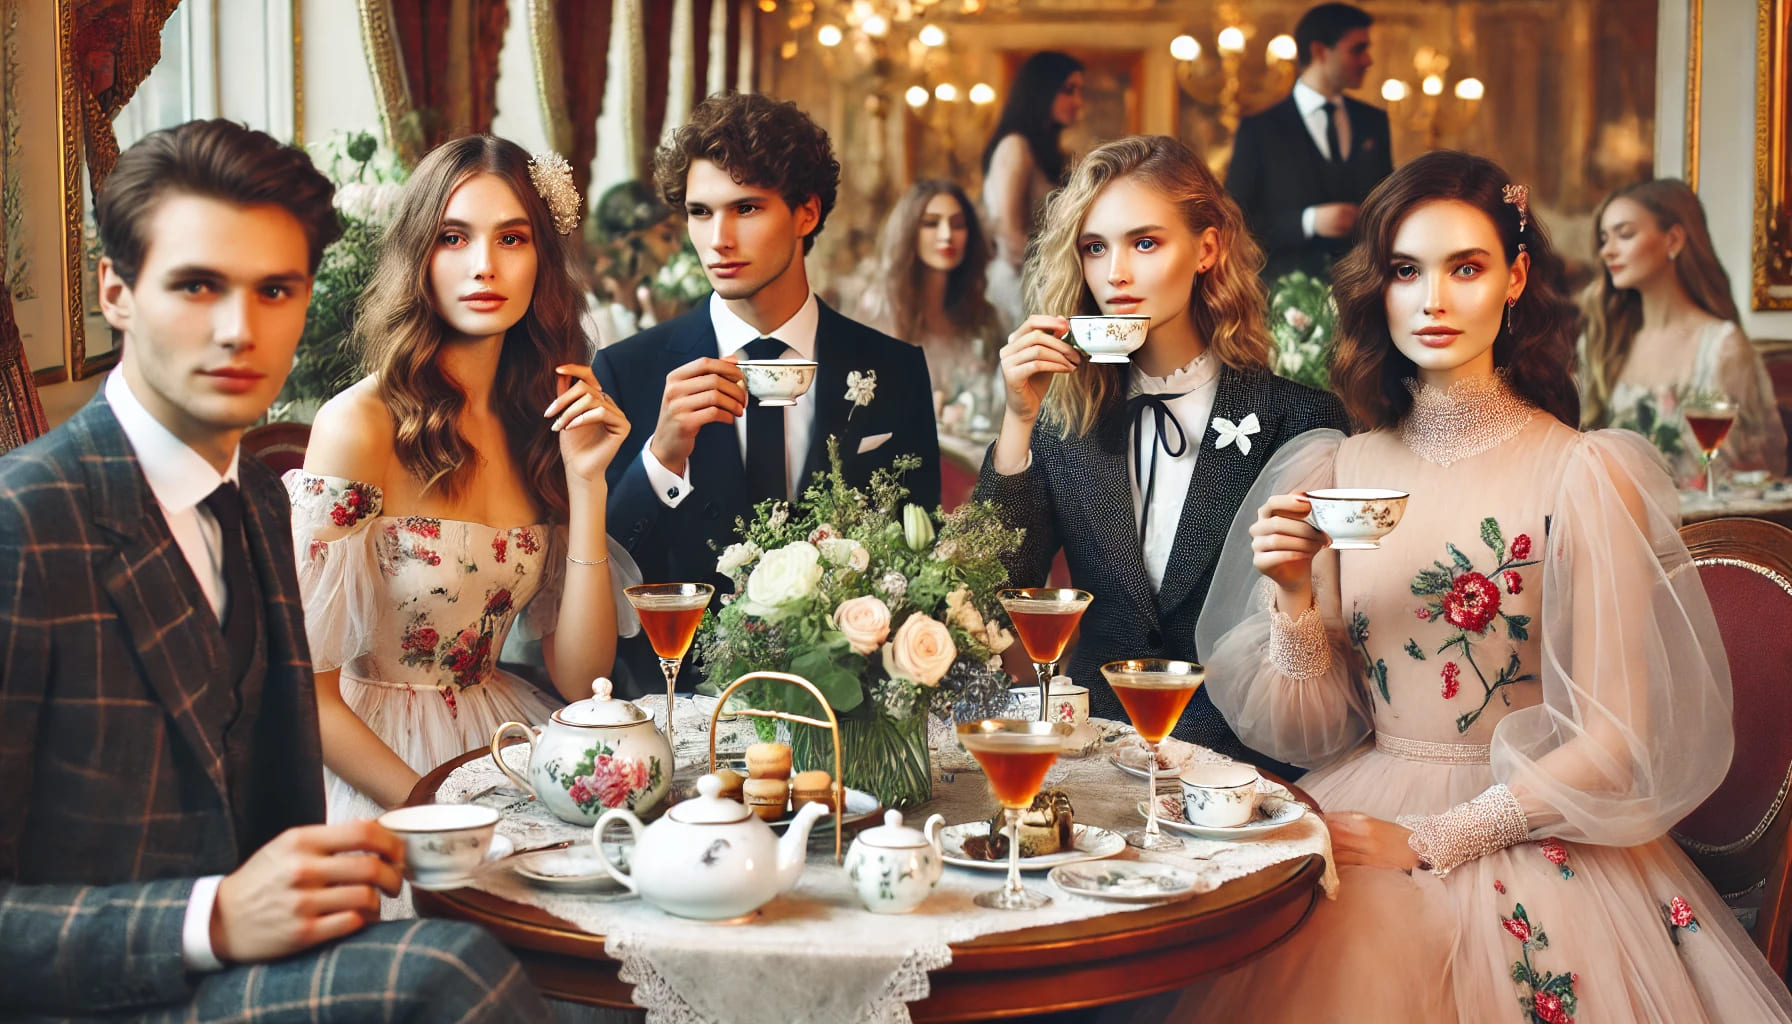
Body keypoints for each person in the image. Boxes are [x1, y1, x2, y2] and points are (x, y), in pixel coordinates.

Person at [1167, 151, 1792, 1020]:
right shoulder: (1339, 465)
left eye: (1466, 268)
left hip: (1532, 836)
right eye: (1405, 271)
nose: (1433, 300)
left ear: (1514, 278)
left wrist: (1430, 841)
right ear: (1377, 289)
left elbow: (1615, 741)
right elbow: (1313, 729)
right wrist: (1292, 599)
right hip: (1364, 800)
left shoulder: (1581, 472)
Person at [0, 119, 549, 1021]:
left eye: (275, 290)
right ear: (117, 293)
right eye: (197, 285)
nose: (237, 329)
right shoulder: (26, 525)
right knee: (450, 974)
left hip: (277, 961)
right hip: (112, 991)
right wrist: (209, 918)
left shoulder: (258, 502)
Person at [291, 135, 641, 829]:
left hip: (499, 743)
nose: (484, 266)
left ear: (541, 259)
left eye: (512, 238)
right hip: (376, 768)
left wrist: (587, 485)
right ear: (419, 255)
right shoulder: (358, 424)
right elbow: (306, 696)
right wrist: (449, 814)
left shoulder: (542, 417)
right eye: (454, 237)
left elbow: (580, 681)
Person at [973, 135, 1347, 766]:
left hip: (1244, 760)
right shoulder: (1063, 417)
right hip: (1094, 753)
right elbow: (997, 593)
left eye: (1144, 243)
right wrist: (1017, 421)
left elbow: (1325, 635)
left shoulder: (1302, 417)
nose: (1115, 273)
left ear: (1207, 248)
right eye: (1095, 248)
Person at [593, 91, 940, 693]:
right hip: (679, 702)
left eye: (746, 208)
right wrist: (661, 455)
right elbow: (598, 574)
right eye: (700, 213)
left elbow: (920, 553)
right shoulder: (630, 370)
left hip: (843, 707)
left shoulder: (895, 369)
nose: (718, 239)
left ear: (806, 214)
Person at [1579, 178, 1787, 482]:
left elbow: (1758, 468)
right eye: (1604, 239)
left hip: (1701, 525)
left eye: (1624, 234)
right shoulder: (1602, 344)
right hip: (1616, 525)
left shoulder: (1720, 348)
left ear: (1673, 240)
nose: (1607, 252)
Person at [1226, 2, 1391, 284]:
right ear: (1319, 51)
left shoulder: (1372, 121)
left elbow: (1389, 201)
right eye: (1358, 49)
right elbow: (1235, 222)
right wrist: (1308, 221)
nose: (1368, 60)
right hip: (1287, 299)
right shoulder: (1259, 129)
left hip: (1365, 292)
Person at [856, 178, 1006, 437]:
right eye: (931, 223)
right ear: (909, 231)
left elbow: (997, 409)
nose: (947, 235)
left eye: (958, 224)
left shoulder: (986, 320)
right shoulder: (877, 311)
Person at [981, 51, 1086, 325]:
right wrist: (1064, 276)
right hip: (1019, 284)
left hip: (1039, 279)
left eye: (1079, 91)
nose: (1078, 101)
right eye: (1068, 90)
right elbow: (1009, 235)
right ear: (1041, 90)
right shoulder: (1015, 146)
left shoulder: (1049, 152)